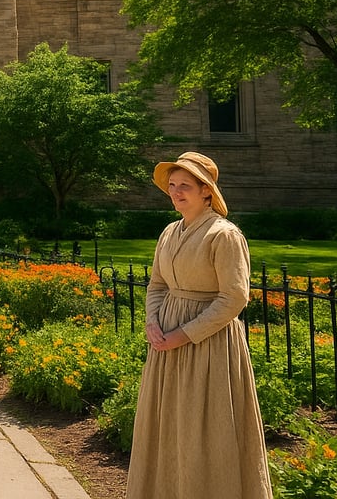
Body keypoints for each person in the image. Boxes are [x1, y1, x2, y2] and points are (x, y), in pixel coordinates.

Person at [126, 153, 272, 499]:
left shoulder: (224, 235)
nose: (176, 192)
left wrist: (183, 335)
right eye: (172, 186)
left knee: (205, 432)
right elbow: (157, 284)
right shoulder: (169, 232)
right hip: (166, 347)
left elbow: (234, 298)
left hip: (209, 347)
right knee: (169, 427)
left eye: (185, 186)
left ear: (207, 192)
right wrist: (153, 322)